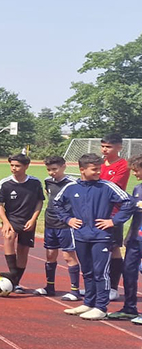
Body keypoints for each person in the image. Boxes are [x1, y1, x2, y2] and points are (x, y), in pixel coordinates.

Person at [51, 152, 136, 321]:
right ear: (82, 170)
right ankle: (88, 303)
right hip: (81, 235)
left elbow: (129, 202)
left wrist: (114, 221)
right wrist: (68, 219)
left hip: (101, 237)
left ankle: (101, 307)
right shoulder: (71, 187)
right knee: (87, 271)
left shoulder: (107, 186)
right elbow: (56, 203)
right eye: (94, 170)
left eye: (99, 169)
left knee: (100, 273)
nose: (98, 172)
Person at [0, 153, 44, 292]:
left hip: (28, 220)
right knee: (8, 237)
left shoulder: (35, 183)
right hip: (12, 219)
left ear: (26, 166)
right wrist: (5, 222)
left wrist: (33, 220)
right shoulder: (4, 183)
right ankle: (13, 276)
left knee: (23, 250)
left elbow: (39, 202)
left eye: (17, 166)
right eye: (12, 165)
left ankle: (15, 281)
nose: (14, 168)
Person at [35, 155, 81, 298]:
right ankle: (50, 287)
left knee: (68, 256)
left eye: (54, 169)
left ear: (63, 167)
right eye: (49, 169)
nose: (51, 172)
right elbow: (50, 197)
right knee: (50, 256)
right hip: (50, 223)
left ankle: (75, 290)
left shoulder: (74, 183)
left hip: (65, 225)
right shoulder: (48, 181)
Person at [109, 155, 142, 322]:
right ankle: (130, 308)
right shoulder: (137, 189)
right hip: (135, 240)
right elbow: (132, 214)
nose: (135, 174)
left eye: (136, 170)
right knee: (129, 272)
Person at [100, 134, 129, 300]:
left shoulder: (123, 165)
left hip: (113, 213)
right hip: (95, 211)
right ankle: (96, 285)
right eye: (103, 146)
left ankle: (113, 287)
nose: (104, 149)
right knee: (95, 248)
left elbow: (111, 186)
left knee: (113, 248)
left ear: (119, 147)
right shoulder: (98, 163)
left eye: (108, 146)